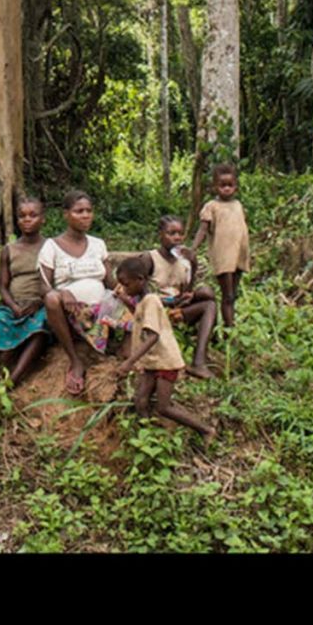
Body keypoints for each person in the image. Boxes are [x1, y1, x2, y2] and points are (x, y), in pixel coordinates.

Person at [111, 255, 213, 442]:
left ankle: (205, 430)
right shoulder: (144, 301)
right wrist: (126, 299)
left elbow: (153, 335)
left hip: (165, 361)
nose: (124, 288)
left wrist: (130, 361)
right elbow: (141, 318)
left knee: (164, 407)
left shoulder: (151, 300)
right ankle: (147, 440)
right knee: (140, 400)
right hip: (152, 361)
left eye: (126, 284)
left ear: (140, 280)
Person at [38, 189, 128, 395]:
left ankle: (124, 351)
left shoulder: (98, 244)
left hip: (100, 311)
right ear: (66, 214)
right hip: (71, 314)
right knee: (51, 298)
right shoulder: (51, 246)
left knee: (133, 295)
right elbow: (43, 287)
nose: (85, 215)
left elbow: (109, 280)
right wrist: (62, 293)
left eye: (89, 210)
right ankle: (75, 361)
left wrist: (124, 291)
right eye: (79, 211)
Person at [189, 162, 251, 377]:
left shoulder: (238, 205)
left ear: (236, 186)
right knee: (228, 295)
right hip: (223, 255)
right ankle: (230, 331)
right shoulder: (211, 207)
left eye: (230, 185)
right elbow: (203, 230)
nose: (226, 189)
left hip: (239, 253)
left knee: (233, 294)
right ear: (215, 186)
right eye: (222, 185)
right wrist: (193, 249)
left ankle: (229, 327)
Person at [0, 196, 50, 387]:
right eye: (22, 216)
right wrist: (13, 305)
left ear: (42, 219)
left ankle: (13, 380)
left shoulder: (50, 247)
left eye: (33, 215)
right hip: (14, 305)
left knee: (41, 326)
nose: (27, 219)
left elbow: (56, 281)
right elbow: (2, 286)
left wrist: (39, 301)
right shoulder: (9, 249)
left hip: (39, 304)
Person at [150, 214, 219, 378]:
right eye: (171, 233)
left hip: (178, 308)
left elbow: (187, 289)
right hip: (159, 310)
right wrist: (170, 301)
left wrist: (193, 265)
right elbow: (144, 295)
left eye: (180, 234)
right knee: (208, 302)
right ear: (160, 234)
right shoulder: (150, 258)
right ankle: (205, 347)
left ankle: (199, 361)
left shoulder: (183, 260)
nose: (177, 238)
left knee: (208, 296)